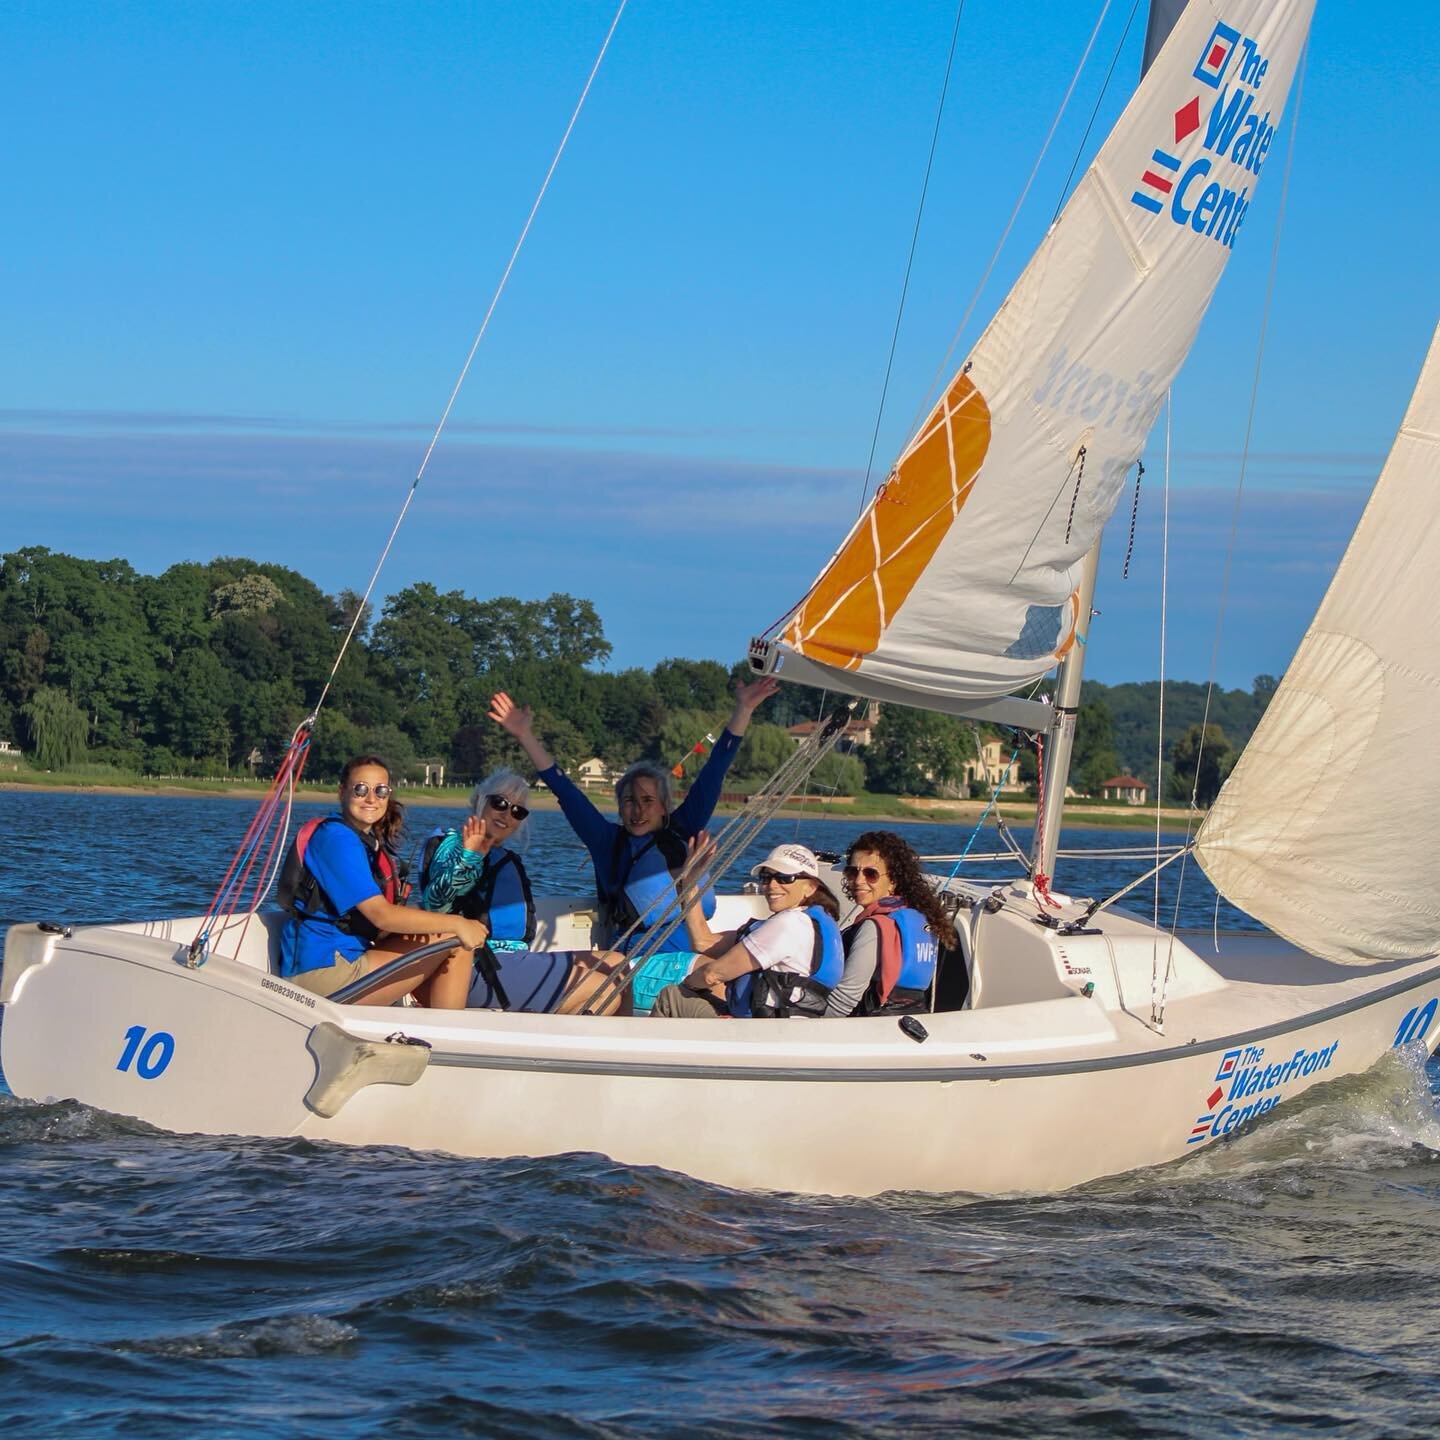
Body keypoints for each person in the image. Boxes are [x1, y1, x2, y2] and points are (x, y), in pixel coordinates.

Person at [489, 676, 778, 951]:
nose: (638, 809)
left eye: (647, 800)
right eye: (628, 801)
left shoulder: (684, 827)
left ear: (664, 806)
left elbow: (714, 772)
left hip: (694, 956)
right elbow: (565, 791)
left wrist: (744, 709)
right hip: (636, 965)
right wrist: (525, 735)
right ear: (619, 808)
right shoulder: (606, 842)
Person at [419, 767, 635, 1015]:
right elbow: (436, 901)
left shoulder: (503, 856)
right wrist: (469, 857)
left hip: (512, 960)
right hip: (474, 966)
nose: (507, 814)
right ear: (480, 800)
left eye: (517, 811)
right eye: (499, 802)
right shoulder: (454, 845)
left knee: (620, 965)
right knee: (604, 988)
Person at [276, 754, 486, 1004]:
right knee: (456, 940)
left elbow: (381, 924)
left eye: (381, 790)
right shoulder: (336, 839)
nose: (371, 798)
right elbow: (381, 915)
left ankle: (441, 1026)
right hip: (322, 975)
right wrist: (457, 923)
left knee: (446, 937)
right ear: (342, 791)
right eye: (361, 789)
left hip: (346, 960)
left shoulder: (361, 843)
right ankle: (449, 1036)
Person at [650, 840, 843, 1019]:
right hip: (782, 1025)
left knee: (672, 995)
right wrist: (690, 884)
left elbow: (713, 974)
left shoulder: (789, 923)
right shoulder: (813, 922)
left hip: (762, 1032)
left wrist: (688, 985)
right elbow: (703, 942)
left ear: (810, 887)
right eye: (766, 877)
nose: (772, 885)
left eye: (785, 878)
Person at [827, 830, 960, 1017]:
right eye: (851, 872)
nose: (858, 881)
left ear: (893, 881)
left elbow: (845, 999)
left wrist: (800, 1025)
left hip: (870, 1026)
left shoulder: (875, 927)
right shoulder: (919, 918)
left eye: (870, 874)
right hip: (908, 1018)